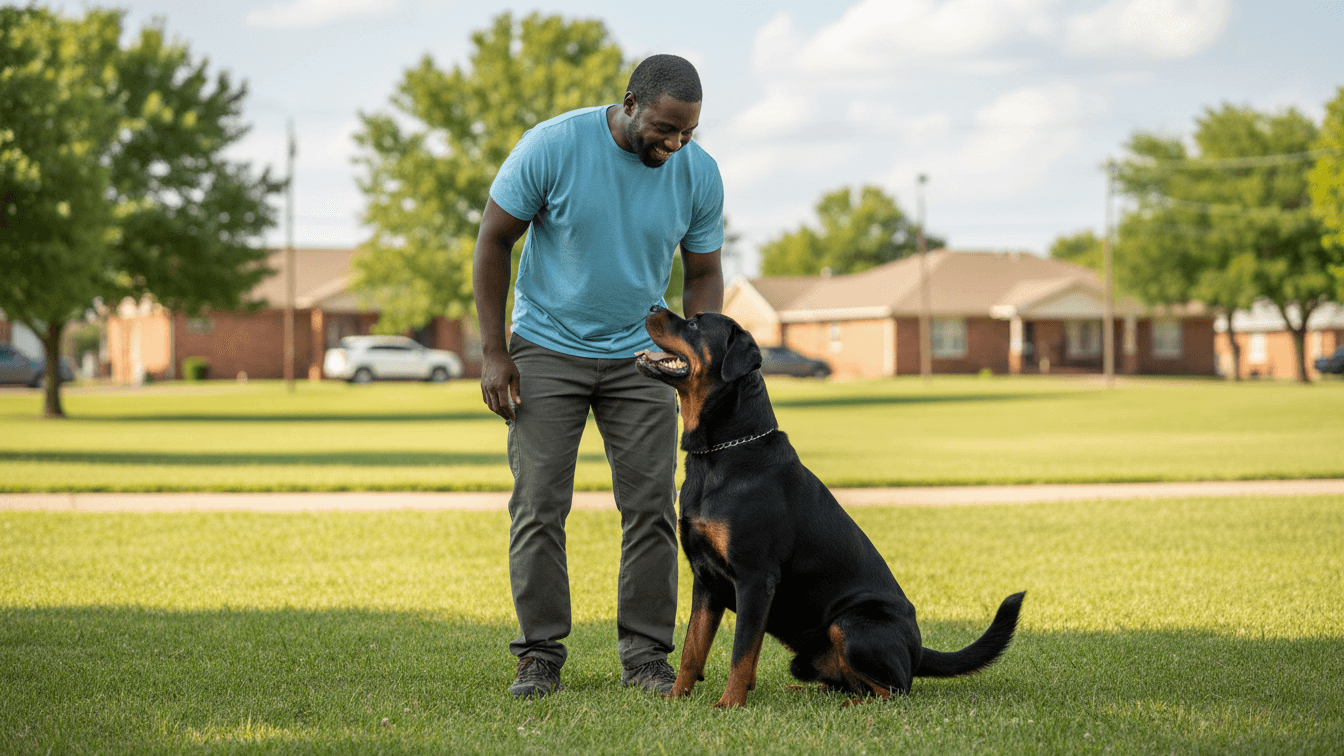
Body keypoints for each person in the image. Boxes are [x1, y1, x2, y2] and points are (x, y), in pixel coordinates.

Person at [471, 54, 725, 699]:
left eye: (687, 132)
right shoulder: (553, 145)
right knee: (538, 505)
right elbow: (493, 240)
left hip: (639, 353)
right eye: (664, 128)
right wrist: (495, 351)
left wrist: (699, 360)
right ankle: (539, 654)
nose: (674, 144)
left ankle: (645, 657)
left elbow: (701, 273)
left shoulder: (698, 173)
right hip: (546, 347)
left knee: (650, 507)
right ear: (631, 102)